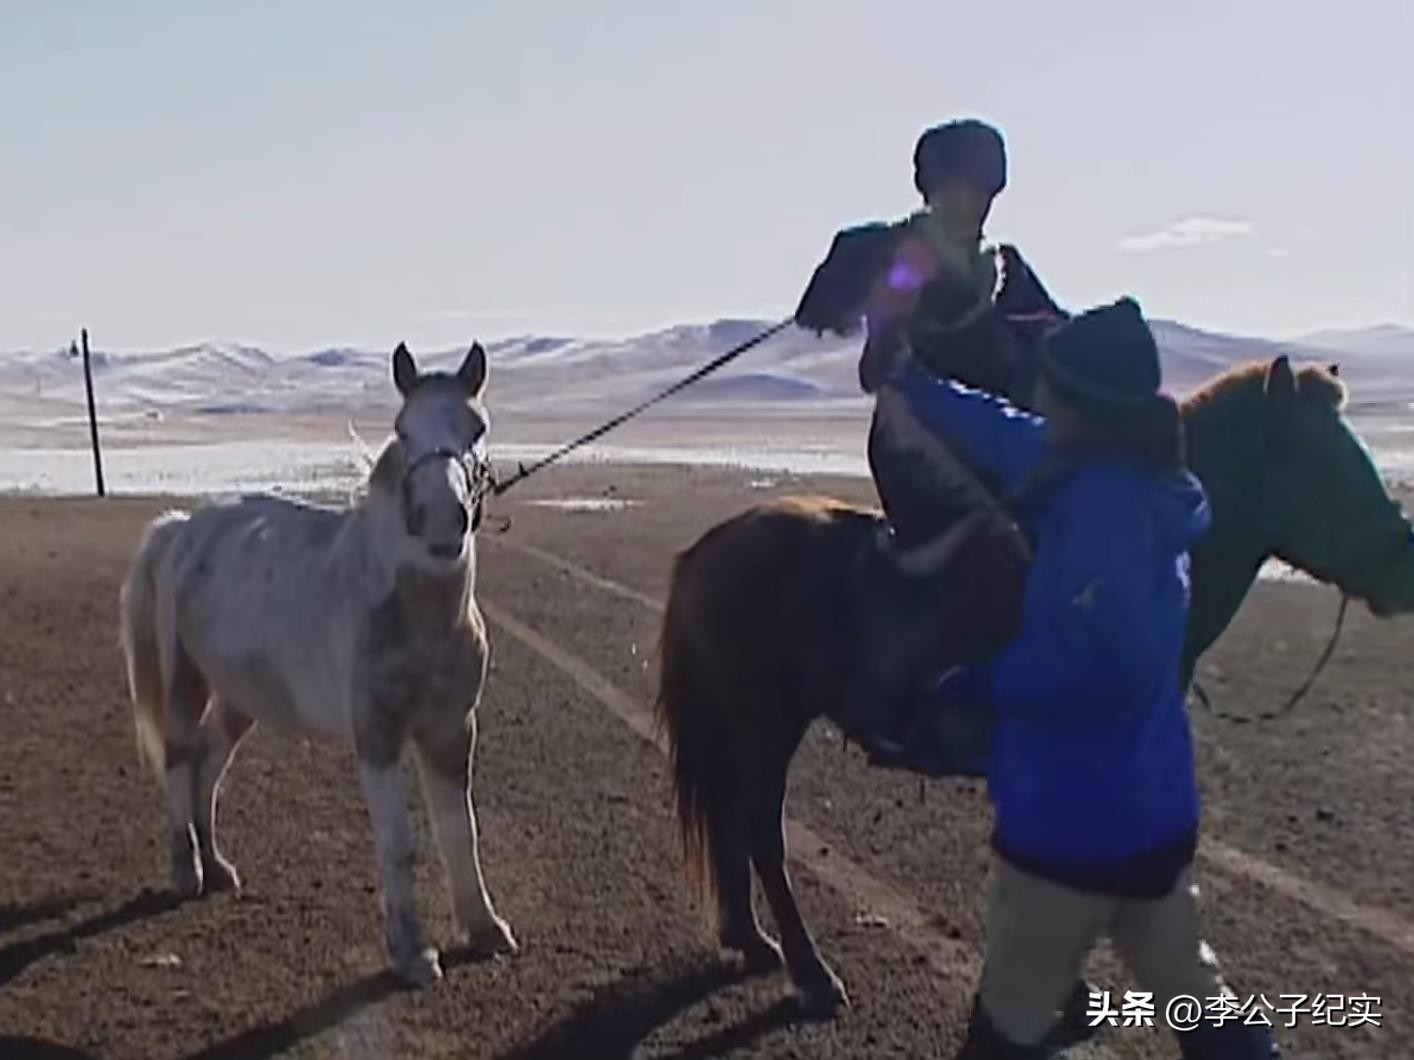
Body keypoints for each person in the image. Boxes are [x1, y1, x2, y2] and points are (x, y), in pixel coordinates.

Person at [888, 297, 1278, 1059]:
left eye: (1052, 387)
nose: (1039, 397)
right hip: (1153, 816)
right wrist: (913, 382)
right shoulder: (1100, 464)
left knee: (1005, 1030)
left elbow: (1108, 664)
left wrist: (989, 684)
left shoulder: (1104, 508)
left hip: (1071, 830)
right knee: (1199, 1004)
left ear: (1083, 406)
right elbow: (1005, 431)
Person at [794, 119, 1069, 735]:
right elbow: (875, 348)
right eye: (961, 188)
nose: (973, 203)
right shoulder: (910, 256)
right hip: (915, 430)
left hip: (996, 433)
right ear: (933, 189)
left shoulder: (1005, 267)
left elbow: (1060, 338)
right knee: (994, 535)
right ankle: (915, 684)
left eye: (983, 191)